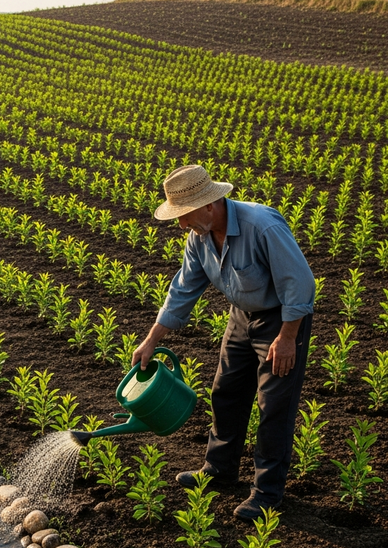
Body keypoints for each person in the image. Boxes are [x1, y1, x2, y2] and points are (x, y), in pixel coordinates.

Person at [132, 164, 315, 521]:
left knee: (273, 404)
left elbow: (300, 283)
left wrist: (288, 338)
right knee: (226, 391)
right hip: (242, 316)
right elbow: (183, 289)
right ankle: (220, 469)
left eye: (184, 217)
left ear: (209, 205)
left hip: (281, 320)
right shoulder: (199, 238)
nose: (182, 225)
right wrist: (153, 338)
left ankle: (267, 492)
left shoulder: (261, 225)